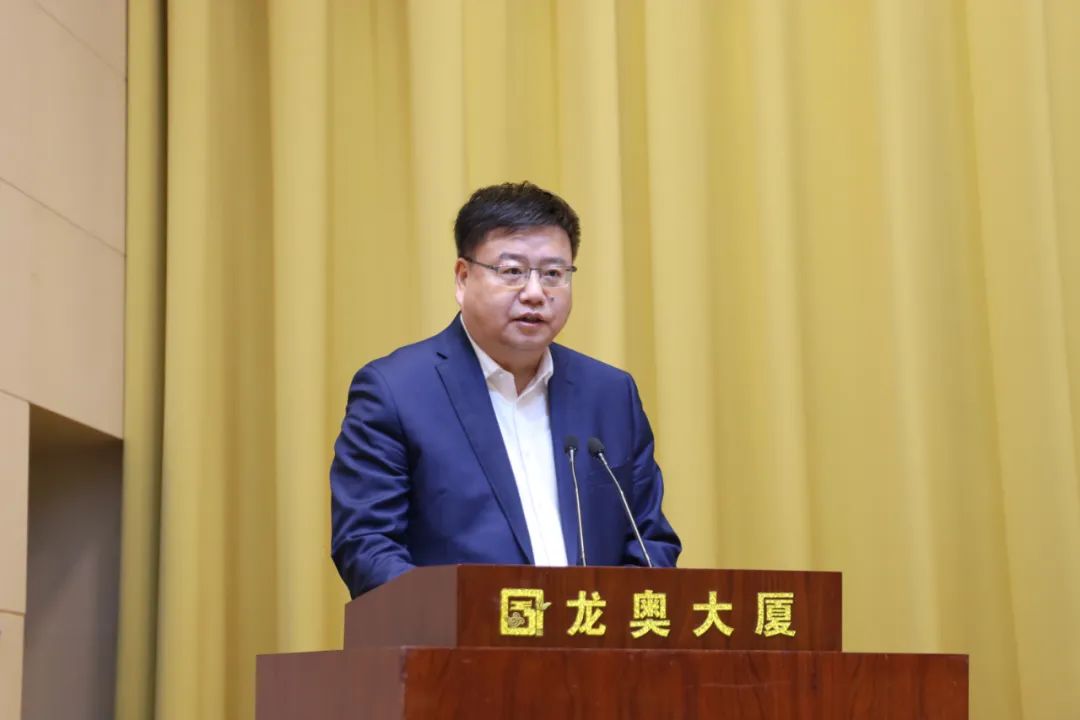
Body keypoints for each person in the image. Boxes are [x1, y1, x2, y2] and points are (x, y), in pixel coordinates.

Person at [330, 182, 681, 597]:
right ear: (463, 278)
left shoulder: (610, 394)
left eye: (553, 274)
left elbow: (648, 540)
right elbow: (367, 545)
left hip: (590, 636)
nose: (535, 293)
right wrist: (462, 618)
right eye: (513, 272)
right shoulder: (396, 391)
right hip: (458, 637)